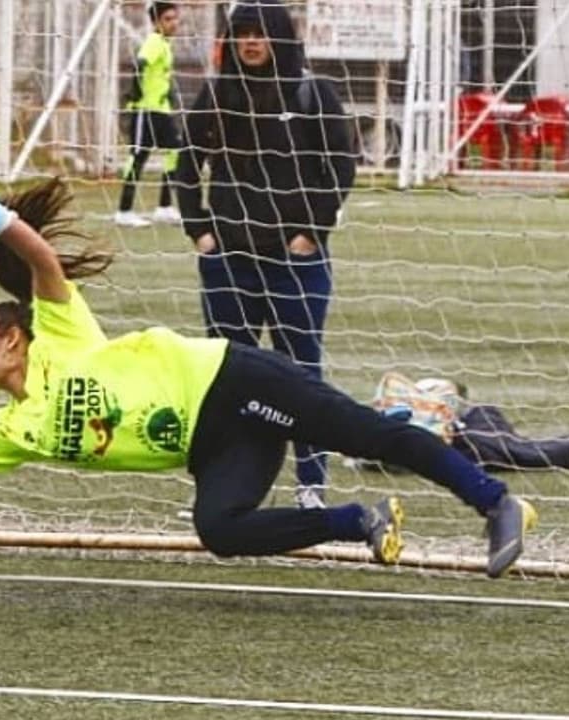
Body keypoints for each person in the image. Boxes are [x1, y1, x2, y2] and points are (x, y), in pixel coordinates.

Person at [0, 152, 537, 578]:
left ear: (12, 338)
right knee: (219, 529)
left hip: (229, 381)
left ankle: (495, 502)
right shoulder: (12, 429)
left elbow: (40, 259)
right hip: (215, 444)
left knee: (367, 434)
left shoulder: (60, 334)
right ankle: (358, 521)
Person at [176, 0, 356, 510]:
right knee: (225, 378)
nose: (251, 42)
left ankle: (311, 486)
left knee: (302, 373)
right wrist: (200, 232)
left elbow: (339, 166)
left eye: (260, 33)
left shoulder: (311, 92)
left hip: (295, 263)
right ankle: (223, 488)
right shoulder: (216, 93)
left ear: (280, 38)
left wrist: (310, 234)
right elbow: (186, 165)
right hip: (229, 262)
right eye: (243, 33)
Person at [113, 1, 182, 229]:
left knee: (175, 151)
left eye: (175, 18)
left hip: (161, 111)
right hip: (146, 110)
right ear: (156, 22)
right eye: (168, 19)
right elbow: (140, 64)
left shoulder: (164, 44)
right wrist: (137, 91)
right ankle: (124, 210)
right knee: (138, 156)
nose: (174, 23)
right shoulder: (153, 42)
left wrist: (168, 95)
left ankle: (164, 207)